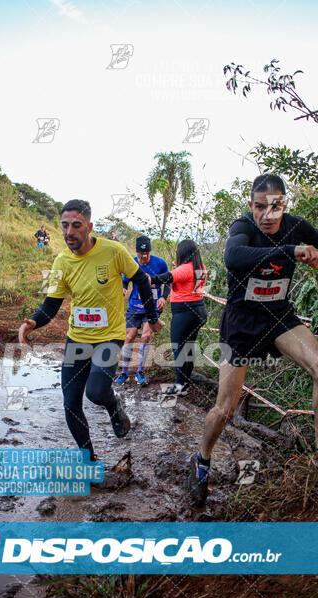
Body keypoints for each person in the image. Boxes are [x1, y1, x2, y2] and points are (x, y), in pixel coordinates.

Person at [188, 173, 318, 506]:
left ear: (284, 204)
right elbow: (234, 257)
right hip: (243, 324)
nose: (268, 215)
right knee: (225, 408)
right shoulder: (242, 227)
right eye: (260, 207)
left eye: (275, 207)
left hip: (280, 319)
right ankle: (202, 459)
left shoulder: (296, 225)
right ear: (251, 205)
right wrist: (292, 250)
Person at [19, 199, 164, 462]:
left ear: (89, 226)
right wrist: (33, 322)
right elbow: (51, 305)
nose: (69, 232)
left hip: (110, 336)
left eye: (76, 225)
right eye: (64, 226)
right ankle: (89, 461)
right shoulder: (61, 261)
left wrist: (151, 317)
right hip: (78, 339)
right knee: (70, 403)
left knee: (96, 392)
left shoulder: (113, 251)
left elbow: (141, 279)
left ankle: (114, 406)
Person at [150, 239, 208, 395]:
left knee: (179, 349)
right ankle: (185, 383)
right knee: (188, 347)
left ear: (182, 253)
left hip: (184, 313)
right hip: (199, 311)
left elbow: (166, 277)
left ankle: (179, 386)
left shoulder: (184, 269)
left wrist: (148, 279)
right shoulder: (201, 268)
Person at [115, 235, 170, 386]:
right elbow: (125, 281)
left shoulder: (160, 263)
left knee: (146, 337)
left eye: (147, 254)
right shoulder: (131, 262)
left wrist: (163, 298)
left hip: (152, 307)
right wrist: (124, 289)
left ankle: (140, 372)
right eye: (141, 254)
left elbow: (168, 282)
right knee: (129, 337)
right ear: (137, 252)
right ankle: (124, 373)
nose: (144, 257)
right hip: (134, 306)